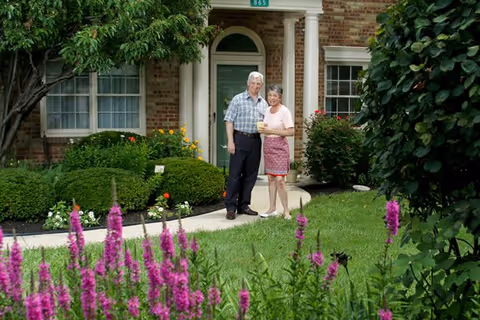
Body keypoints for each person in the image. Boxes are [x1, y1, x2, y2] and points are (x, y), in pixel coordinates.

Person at [223, 71, 269, 220]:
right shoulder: (238, 99)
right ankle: (231, 207)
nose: (255, 86)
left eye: (258, 84)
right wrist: (231, 141)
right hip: (239, 139)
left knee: (251, 175)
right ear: (248, 83)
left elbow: (267, 124)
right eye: (253, 83)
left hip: (255, 141)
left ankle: (243, 205)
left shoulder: (264, 103)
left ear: (261, 85)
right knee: (235, 175)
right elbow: (229, 120)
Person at [258, 84, 294, 220]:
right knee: (271, 179)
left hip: (280, 147)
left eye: (275, 95)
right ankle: (272, 209)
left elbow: (291, 131)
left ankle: (286, 210)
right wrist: (263, 129)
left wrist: (271, 131)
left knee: (280, 180)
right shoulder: (267, 110)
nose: (272, 98)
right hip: (268, 146)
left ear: (280, 97)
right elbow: (266, 127)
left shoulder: (284, 111)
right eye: (270, 95)